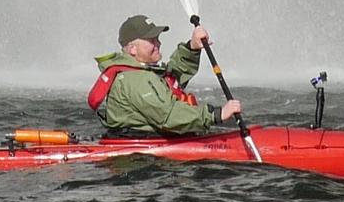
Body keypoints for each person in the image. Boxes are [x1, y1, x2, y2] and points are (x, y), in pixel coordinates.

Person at [90, 13, 243, 134]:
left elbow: (172, 79)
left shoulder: (142, 70)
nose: (159, 43)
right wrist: (216, 115)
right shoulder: (133, 79)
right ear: (132, 49)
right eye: (152, 40)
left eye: (157, 38)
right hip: (141, 154)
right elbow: (169, 116)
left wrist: (192, 48)